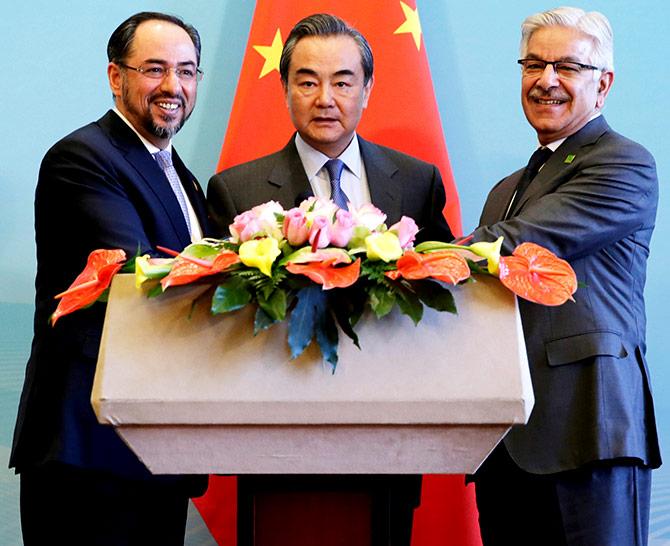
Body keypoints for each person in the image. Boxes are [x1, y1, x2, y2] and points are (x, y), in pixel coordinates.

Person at [207, 13, 454, 545]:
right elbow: (221, 315)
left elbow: (443, 288)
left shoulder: (416, 181)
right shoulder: (236, 189)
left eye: (343, 81)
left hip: (389, 433)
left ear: (367, 88)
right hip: (277, 433)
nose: (325, 97)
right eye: (307, 80)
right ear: (284, 88)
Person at [10, 12, 210, 546]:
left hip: (150, 448)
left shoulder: (178, 173)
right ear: (116, 77)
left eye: (187, 71)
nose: (173, 86)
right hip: (89, 451)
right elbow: (137, 272)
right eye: (155, 69)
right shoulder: (83, 157)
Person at [468, 7, 661, 545]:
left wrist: (412, 256)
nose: (546, 79)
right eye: (533, 64)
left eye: (566, 67)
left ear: (603, 85)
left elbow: (528, 241)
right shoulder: (506, 188)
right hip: (507, 440)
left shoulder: (624, 163)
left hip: (588, 428)